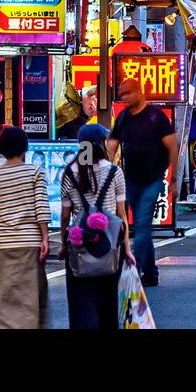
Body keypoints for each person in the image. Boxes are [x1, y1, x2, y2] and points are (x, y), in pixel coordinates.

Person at [108, 78, 178, 286]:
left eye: (128, 93)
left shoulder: (155, 117)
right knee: (139, 226)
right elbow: (112, 146)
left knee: (142, 222)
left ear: (139, 92)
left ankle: (135, 270)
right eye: (122, 95)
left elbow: (172, 146)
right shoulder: (123, 118)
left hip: (153, 179)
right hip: (130, 180)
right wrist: (103, 171)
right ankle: (151, 271)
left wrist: (173, 179)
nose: (125, 98)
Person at [59, 124, 130, 329]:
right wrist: (127, 248)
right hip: (109, 243)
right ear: (100, 143)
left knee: (80, 301)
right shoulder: (115, 172)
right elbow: (121, 214)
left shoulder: (69, 173)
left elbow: (65, 215)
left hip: (79, 243)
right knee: (108, 300)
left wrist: (64, 242)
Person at [0, 127, 50, 329]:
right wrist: (45, 238)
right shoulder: (35, 172)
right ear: (24, 148)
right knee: (29, 296)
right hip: (30, 241)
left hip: (3, 243)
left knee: (0, 295)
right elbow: (41, 207)